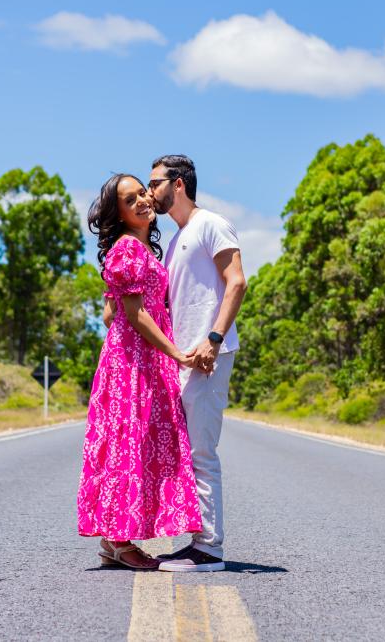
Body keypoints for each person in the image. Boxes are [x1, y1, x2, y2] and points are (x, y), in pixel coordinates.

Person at [77, 173, 203, 570]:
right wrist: (176, 353)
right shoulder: (128, 247)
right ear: (119, 214)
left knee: (136, 443)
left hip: (136, 356)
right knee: (128, 443)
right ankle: (118, 541)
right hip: (135, 359)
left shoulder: (139, 249)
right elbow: (134, 314)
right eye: (129, 200)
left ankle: (114, 541)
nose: (142, 201)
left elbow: (109, 313)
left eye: (142, 193)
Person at [149, 154, 247, 572]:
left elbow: (236, 282)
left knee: (202, 452)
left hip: (209, 356)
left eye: (155, 183)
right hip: (186, 359)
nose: (150, 192)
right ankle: (197, 540)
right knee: (188, 453)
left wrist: (214, 338)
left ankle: (209, 548)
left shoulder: (211, 224)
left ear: (178, 184)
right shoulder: (177, 240)